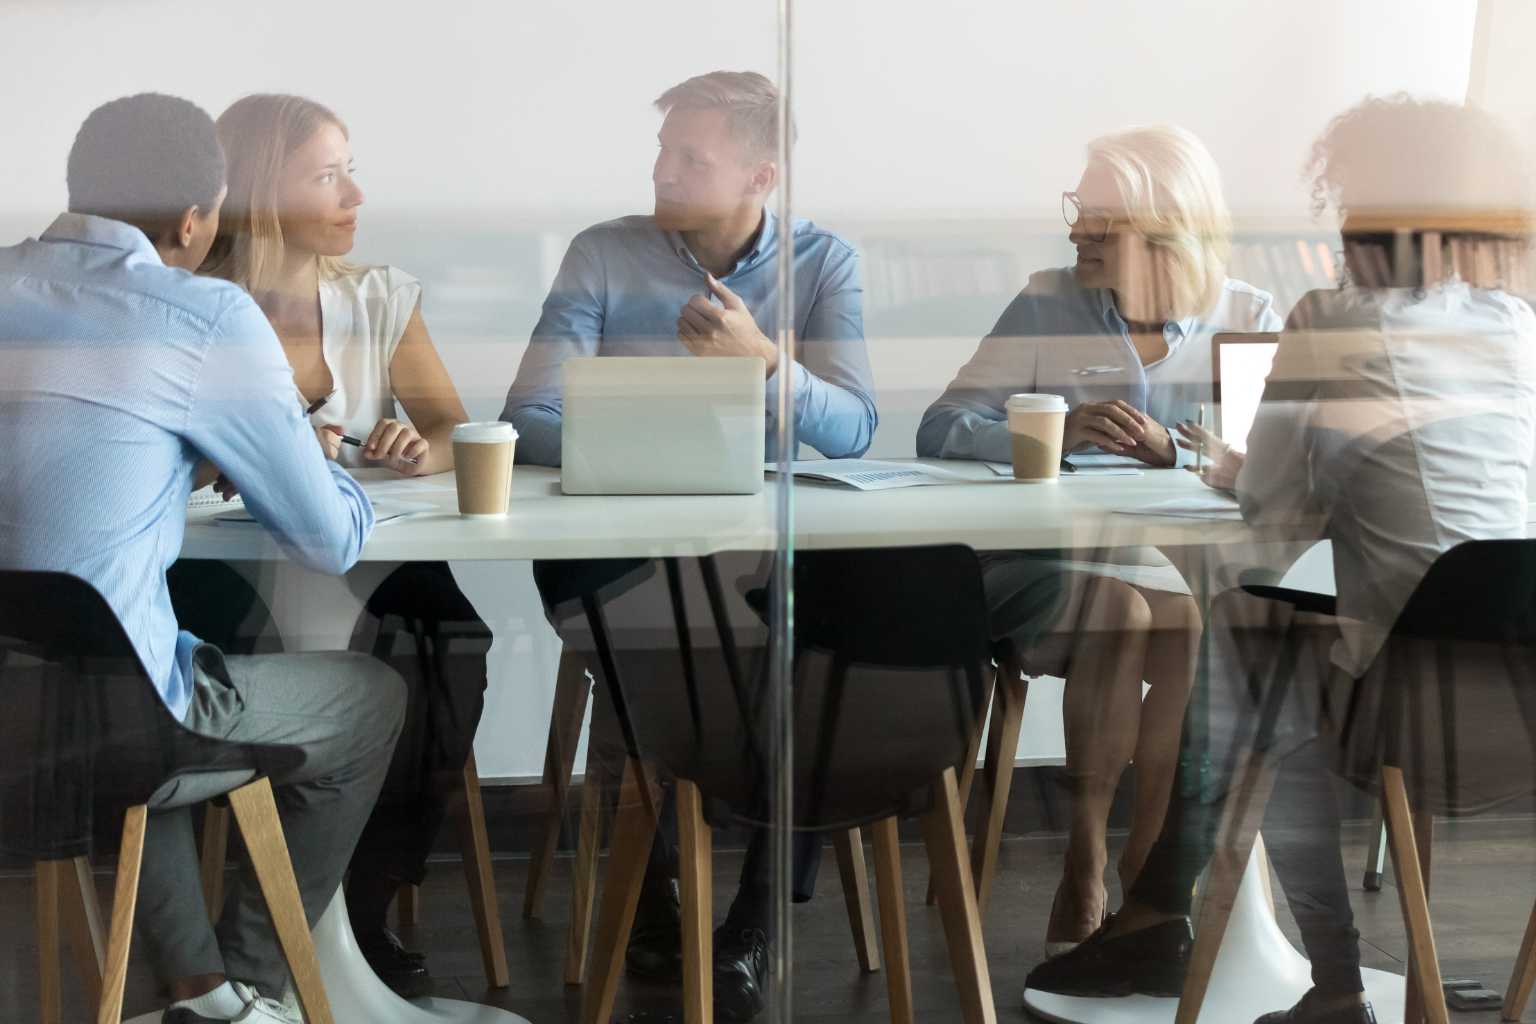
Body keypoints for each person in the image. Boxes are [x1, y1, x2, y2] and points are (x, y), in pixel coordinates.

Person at [1026, 97, 1536, 1024]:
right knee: (1262, 646)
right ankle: (1163, 916)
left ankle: (1319, 979)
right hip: (1519, 692)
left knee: (1246, 657)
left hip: (1401, 704)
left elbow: (1272, 516)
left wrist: (1232, 470)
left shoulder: (1333, 316)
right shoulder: (1516, 325)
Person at [0, 93, 405, 1024]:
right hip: (125, 725)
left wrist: (177, 454)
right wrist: (320, 457)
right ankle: (258, 987)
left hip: (22, 701)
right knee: (369, 699)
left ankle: (198, 995)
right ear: (193, 219)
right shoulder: (201, 315)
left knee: (142, 662)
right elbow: (327, 538)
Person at [501, 70, 877, 1021]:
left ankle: (756, 917)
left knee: (820, 652)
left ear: (760, 175)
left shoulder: (825, 263)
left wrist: (760, 363)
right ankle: (654, 891)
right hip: (620, 549)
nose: (663, 170)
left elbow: (855, 428)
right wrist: (660, 428)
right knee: (672, 639)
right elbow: (528, 414)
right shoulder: (603, 254)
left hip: (757, 553)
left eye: (690, 157)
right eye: (663, 151)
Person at [917, 125, 1283, 955]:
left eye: (1101, 218)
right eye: (1078, 210)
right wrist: (1046, 432)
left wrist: (1182, 451)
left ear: (1166, 227)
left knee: (1183, 620)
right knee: (1125, 609)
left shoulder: (1249, 316)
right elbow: (942, 425)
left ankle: (1151, 874)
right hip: (1044, 564)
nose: (1077, 230)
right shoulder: (1048, 300)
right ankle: (1087, 862)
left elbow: (1274, 472)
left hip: (1180, 572)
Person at [187, 92, 484, 999]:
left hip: (370, 555)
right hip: (226, 575)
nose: (355, 195)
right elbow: (161, 462)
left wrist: (408, 447)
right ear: (263, 191)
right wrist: (246, 463)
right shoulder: (191, 307)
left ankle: (360, 909)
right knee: (322, 676)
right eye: (328, 175)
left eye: (351, 170)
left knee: (452, 651)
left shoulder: (379, 297)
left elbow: (449, 428)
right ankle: (279, 936)